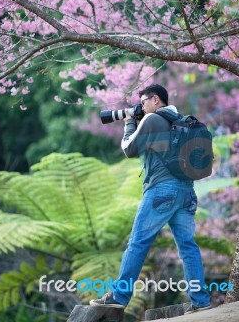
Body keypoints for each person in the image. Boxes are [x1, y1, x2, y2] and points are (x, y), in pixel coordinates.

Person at [90, 84, 211, 314]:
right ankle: (201, 300)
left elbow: (129, 149)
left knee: (137, 243)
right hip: (187, 192)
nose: (141, 107)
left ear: (156, 100)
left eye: (143, 101)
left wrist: (128, 121)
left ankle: (118, 295)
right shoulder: (179, 120)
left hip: (161, 191)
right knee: (188, 246)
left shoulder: (152, 119)